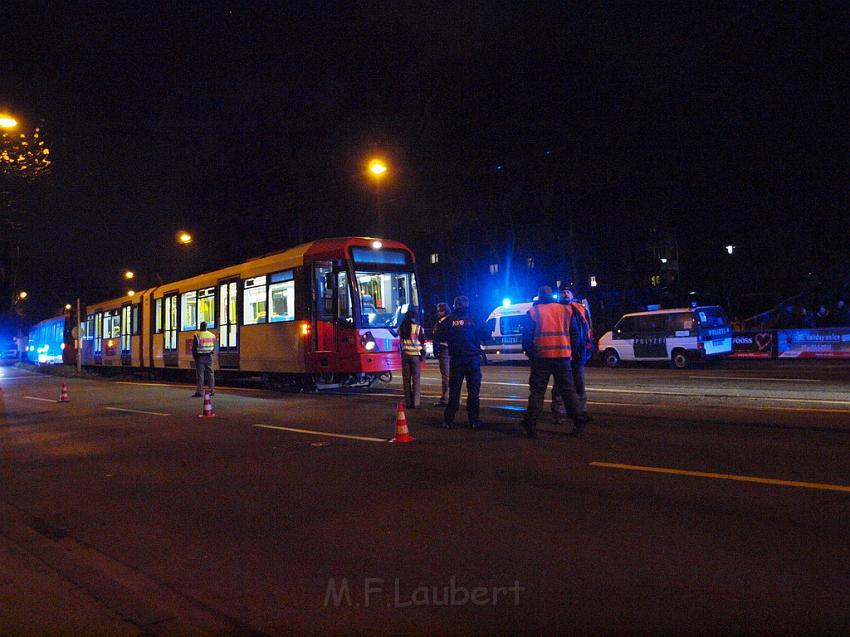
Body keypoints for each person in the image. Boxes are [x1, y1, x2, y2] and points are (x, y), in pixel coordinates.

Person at [519, 285, 585, 438]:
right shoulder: (566, 310)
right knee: (568, 391)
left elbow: (527, 337)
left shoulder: (534, 311)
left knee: (537, 391)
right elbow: (575, 334)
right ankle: (579, 420)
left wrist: (531, 354)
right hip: (563, 356)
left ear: (539, 296)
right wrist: (572, 353)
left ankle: (530, 423)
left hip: (541, 357)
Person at [434, 295, 487, 429]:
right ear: (467, 304)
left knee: (454, 391)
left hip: (456, 359)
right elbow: (487, 333)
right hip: (472, 358)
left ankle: (448, 420)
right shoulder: (474, 318)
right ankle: (473, 420)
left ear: (455, 305)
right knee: (473, 392)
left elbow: (438, 335)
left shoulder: (449, 320)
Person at [551, 285, 593, 425]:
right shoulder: (556, 309)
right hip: (562, 354)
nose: (566, 294)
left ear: (572, 294)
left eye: (568, 292)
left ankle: (581, 412)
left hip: (578, 354)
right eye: (563, 292)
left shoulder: (579, 309)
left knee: (580, 384)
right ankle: (558, 413)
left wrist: (588, 347)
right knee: (560, 385)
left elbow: (587, 329)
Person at [399, 309, 425, 409]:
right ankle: (416, 403)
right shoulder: (417, 328)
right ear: (414, 317)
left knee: (406, 380)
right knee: (416, 380)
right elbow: (422, 341)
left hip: (405, 355)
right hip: (415, 356)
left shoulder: (401, 327)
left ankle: (408, 403)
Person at [431, 302, 451, 406]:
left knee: (446, 376)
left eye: (439, 310)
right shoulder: (443, 322)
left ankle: (446, 398)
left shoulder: (445, 322)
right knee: (449, 375)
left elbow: (438, 336)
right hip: (448, 350)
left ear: (443, 311)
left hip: (445, 350)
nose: (437, 312)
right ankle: (450, 397)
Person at [192, 321, 216, 397]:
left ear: (200, 326)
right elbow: (214, 346)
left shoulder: (197, 335)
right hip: (209, 356)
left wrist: (195, 356)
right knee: (210, 374)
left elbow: (194, 347)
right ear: (206, 327)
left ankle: (199, 392)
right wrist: (211, 352)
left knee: (200, 375)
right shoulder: (212, 335)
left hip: (200, 357)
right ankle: (212, 391)